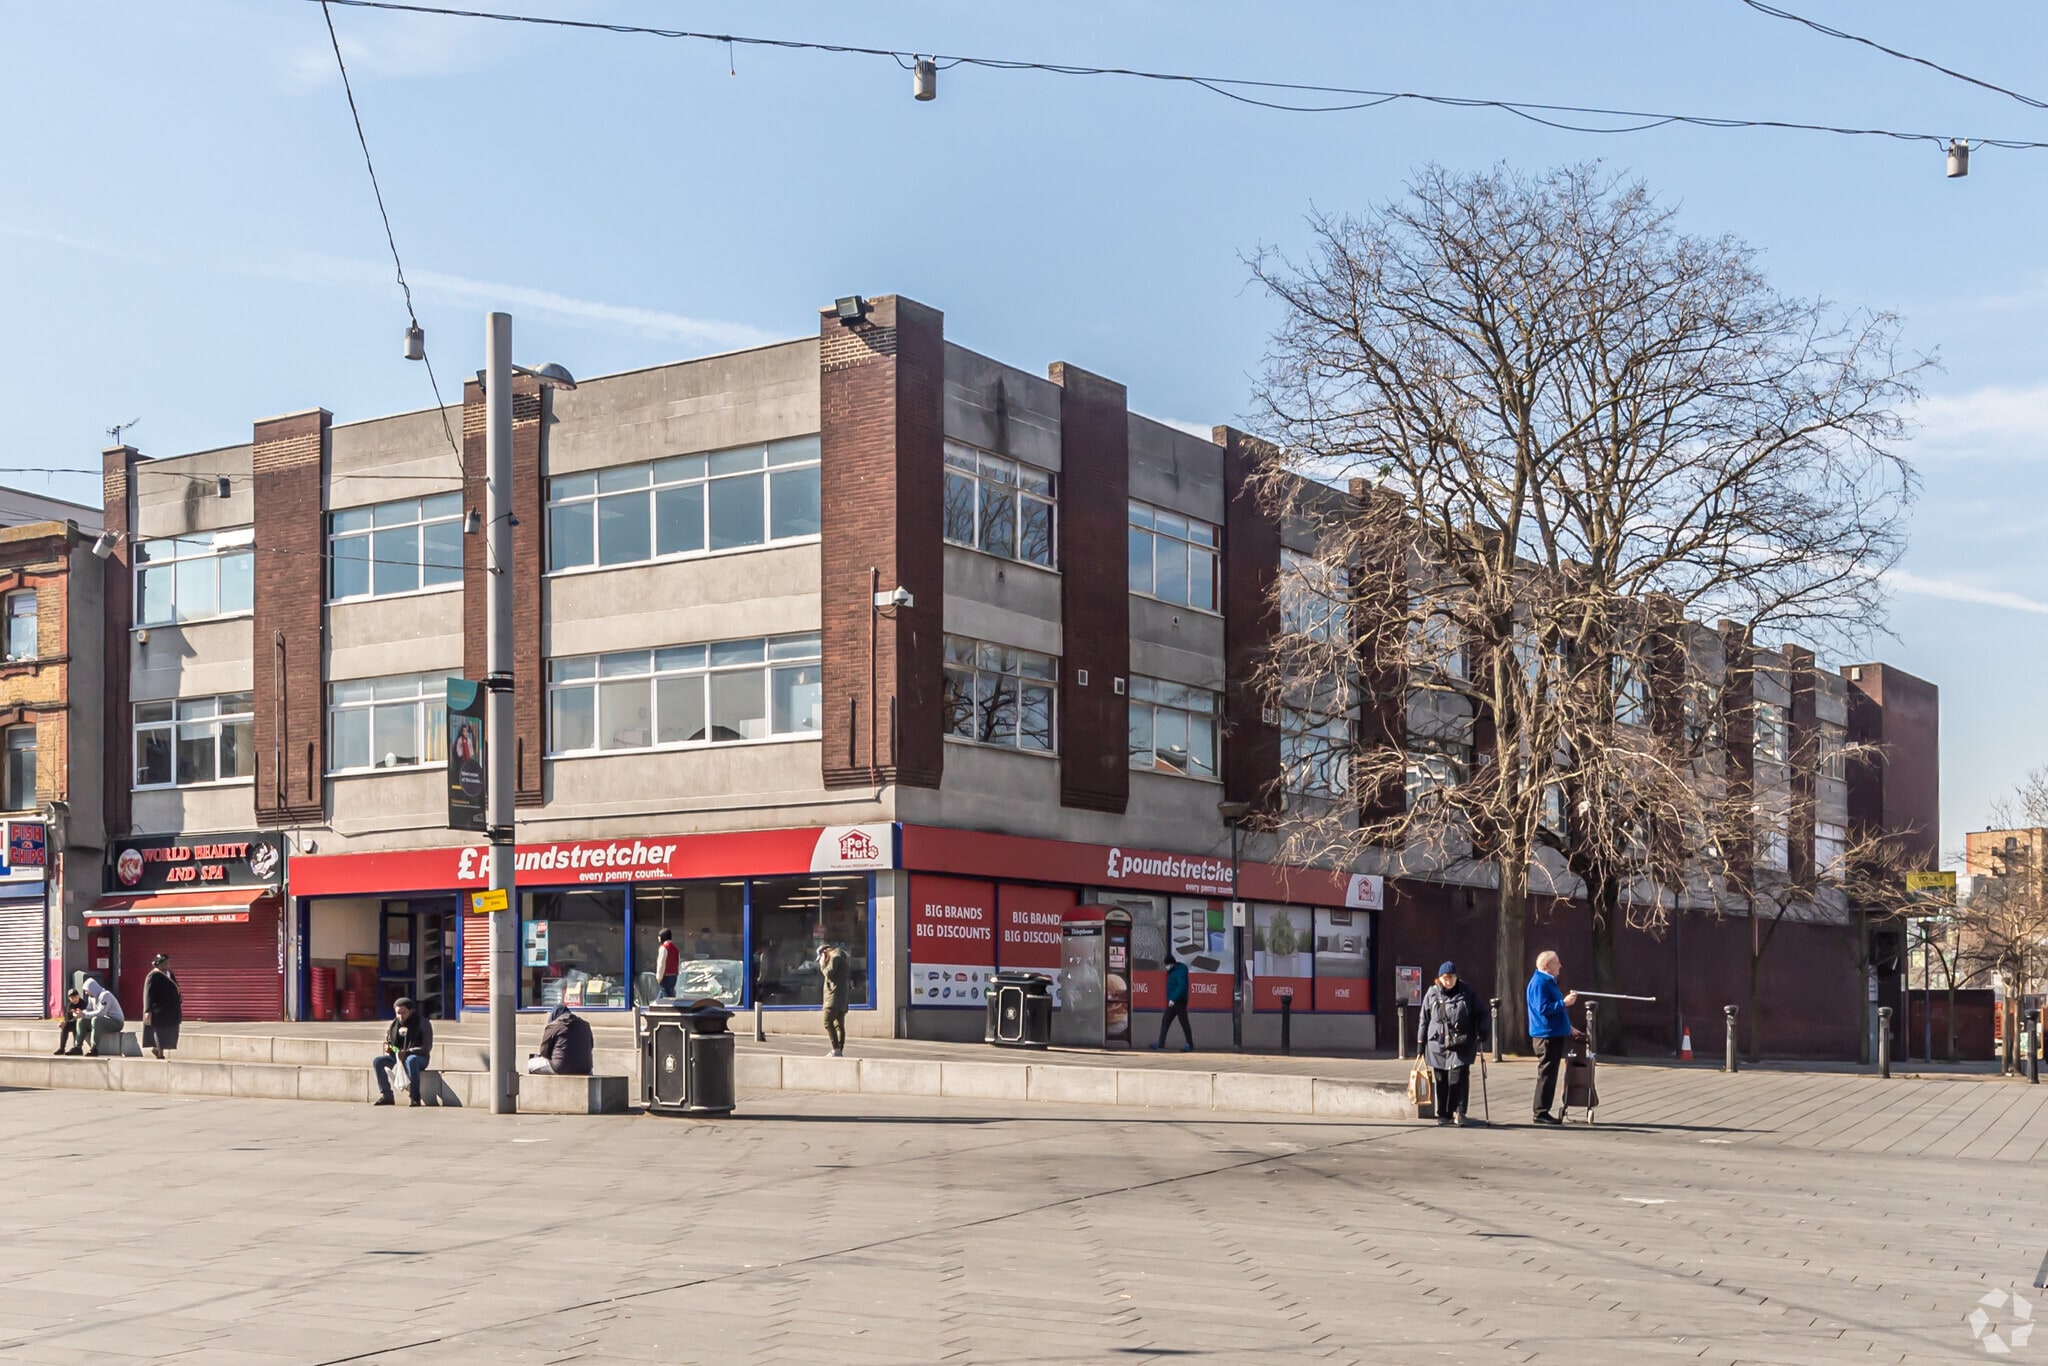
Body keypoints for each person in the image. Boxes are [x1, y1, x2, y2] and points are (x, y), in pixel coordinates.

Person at [1419, 961, 1484, 1126]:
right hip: (1437, 1044)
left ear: (1456, 977)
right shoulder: (1432, 993)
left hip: (1461, 1043)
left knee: (1460, 1077)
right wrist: (1421, 1043)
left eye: (1452, 977)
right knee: (1441, 1080)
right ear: (1439, 978)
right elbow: (1423, 1019)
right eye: (1445, 978)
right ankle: (1443, 1114)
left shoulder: (1467, 992)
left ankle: (1459, 1112)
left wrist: (1483, 1032)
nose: (1449, 981)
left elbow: (1481, 1012)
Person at [1525, 950, 1581, 1126]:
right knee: (1547, 1073)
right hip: (1546, 1035)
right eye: (1557, 963)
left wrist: (1569, 1028)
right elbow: (1543, 1009)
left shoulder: (1547, 981)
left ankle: (1543, 1110)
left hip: (1553, 1032)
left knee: (1550, 1072)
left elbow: (1555, 1012)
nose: (1560, 966)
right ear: (1546, 966)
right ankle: (1540, 1112)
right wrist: (1564, 1002)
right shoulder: (1540, 983)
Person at [372, 997, 433, 1107]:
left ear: (411, 1011)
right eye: (398, 1013)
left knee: (411, 1060)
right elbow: (392, 1044)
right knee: (378, 1062)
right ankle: (387, 1095)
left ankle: (415, 1097)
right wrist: (390, 1048)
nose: (401, 1016)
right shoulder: (394, 1025)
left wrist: (408, 1052)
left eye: (404, 1013)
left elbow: (426, 1047)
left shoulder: (423, 1023)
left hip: (419, 1058)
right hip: (399, 1057)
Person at [526, 1002, 594, 1076]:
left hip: (560, 1067)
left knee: (531, 1064)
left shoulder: (554, 1025)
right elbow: (591, 1046)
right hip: (585, 1068)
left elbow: (544, 1051)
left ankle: (546, 1087)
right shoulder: (585, 1025)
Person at [142, 953, 183, 1060]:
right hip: (159, 1010)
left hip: (170, 1010)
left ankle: (157, 1049)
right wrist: (148, 1010)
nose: (168, 965)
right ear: (158, 964)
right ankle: (160, 1054)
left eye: (168, 963)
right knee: (159, 1032)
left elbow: (176, 987)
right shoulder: (153, 975)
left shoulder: (170, 974)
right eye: (165, 963)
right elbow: (148, 993)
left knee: (168, 1032)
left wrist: (179, 998)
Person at [1149, 956, 1195, 1052]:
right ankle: (1161, 1043)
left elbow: (1181, 986)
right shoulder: (1173, 971)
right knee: (1165, 1020)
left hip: (1179, 1001)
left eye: (1167, 965)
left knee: (1184, 1023)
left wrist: (1173, 999)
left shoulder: (1179, 971)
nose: (1166, 967)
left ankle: (1189, 1044)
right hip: (1173, 1002)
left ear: (1171, 963)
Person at [75, 977, 125, 1056]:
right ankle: (77, 1047)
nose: (86, 993)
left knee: (96, 1020)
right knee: (81, 1020)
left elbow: (101, 1013)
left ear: (92, 989)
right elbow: (88, 1009)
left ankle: (94, 1048)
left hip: (116, 1022)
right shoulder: (91, 997)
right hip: (103, 1021)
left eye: (86, 991)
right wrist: (80, 1013)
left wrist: (84, 1014)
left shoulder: (105, 995)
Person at [816, 941, 850, 1057]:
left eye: (821, 957)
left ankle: (836, 1049)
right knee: (839, 1024)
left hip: (833, 997)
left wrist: (822, 964)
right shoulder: (841, 958)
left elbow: (828, 973)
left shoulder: (834, 958)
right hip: (841, 997)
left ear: (825, 953)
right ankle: (839, 1050)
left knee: (827, 1022)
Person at [52, 988, 85, 1055]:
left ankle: (77, 1048)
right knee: (65, 1025)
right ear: (69, 998)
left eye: (75, 997)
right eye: (72, 998)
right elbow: (67, 1018)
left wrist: (76, 1016)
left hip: (82, 1023)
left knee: (77, 1024)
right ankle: (62, 1048)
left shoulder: (83, 1004)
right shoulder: (69, 1005)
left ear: (79, 996)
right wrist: (63, 1022)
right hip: (72, 1022)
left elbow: (83, 1017)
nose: (74, 999)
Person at [654, 929, 681, 1000]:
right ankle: (654, 1006)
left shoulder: (663, 948)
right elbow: (677, 962)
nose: (658, 938)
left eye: (659, 936)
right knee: (665, 993)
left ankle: (674, 1009)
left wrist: (659, 977)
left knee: (668, 997)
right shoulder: (676, 949)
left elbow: (661, 963)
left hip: (665, 976)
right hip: (674, 975)